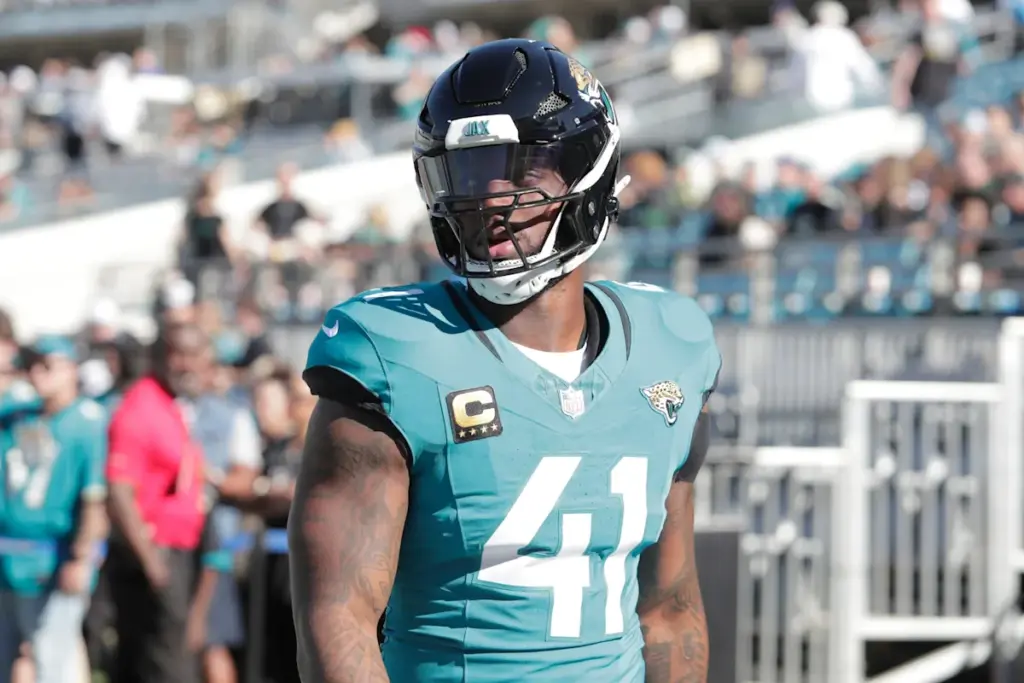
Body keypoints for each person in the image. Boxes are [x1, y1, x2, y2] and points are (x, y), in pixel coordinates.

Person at [289, 39, 720, 683]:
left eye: (523, 170)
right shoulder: (397, 351)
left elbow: (669, 612)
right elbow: (338, 618)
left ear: (588, 172)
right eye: (469, 172)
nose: (491, 198)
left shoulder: (670, 349)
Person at [105, 323, 216, 683]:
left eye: (195, 355)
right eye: (178, 354)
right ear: (160, 356)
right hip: (153, 555)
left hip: (177, 554)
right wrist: (152, 562)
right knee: (166, 668)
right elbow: (119, 490)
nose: (188, 364)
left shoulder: (170, 406)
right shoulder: (140, 408)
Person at [0, 337, 108, 683]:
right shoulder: (16, 416)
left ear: (71, 369)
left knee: (51, 659)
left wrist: (80, 557)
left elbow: (94, 498)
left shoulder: (86, 422)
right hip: (8, 558)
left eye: (46, 366)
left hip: (52, 559)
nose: (37, 374)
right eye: (31, 366)